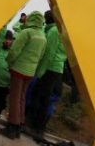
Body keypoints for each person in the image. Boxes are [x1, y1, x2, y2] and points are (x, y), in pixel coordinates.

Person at [0, 10, 47, 140]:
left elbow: (14, 51)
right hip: (30, 72)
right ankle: (19, 124)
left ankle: (12, 127)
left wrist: (9, 62)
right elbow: (41, 56)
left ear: (31, 19)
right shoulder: (42, 36)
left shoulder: (26, 32)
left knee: (14, 97)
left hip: (19, 70)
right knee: (22, 97)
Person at [28, 9, 68, 138]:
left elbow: (49, 53)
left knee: (39, 96)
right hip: (57, 69)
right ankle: (38, 127)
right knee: (44, 98)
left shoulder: (54, 31)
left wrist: (40, 72)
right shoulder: (63, 31)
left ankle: (35, 127)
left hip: (49, 68)